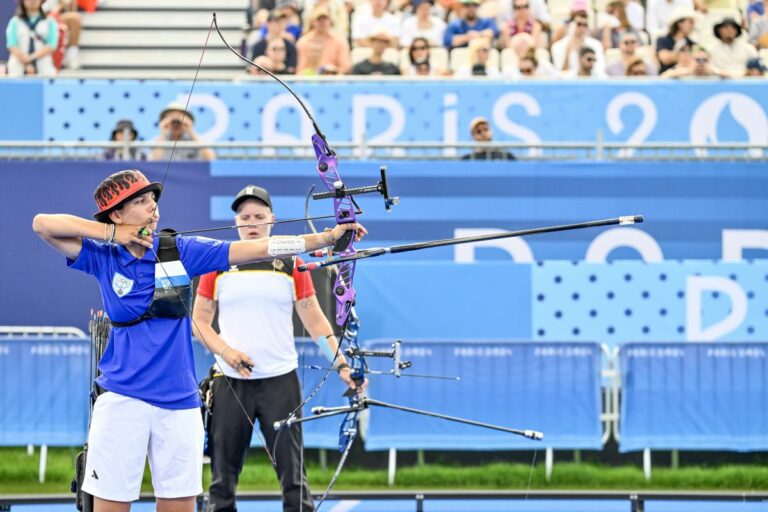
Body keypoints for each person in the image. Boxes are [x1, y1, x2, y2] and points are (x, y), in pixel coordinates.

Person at [31, 169, 366, 512]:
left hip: (179, 403)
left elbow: (258, 248)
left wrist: (325, 239)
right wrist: (112, 234)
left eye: (153, 200)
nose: (154, 209)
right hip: (120, 399)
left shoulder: (180, 251)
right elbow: (42, 224)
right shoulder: (103, 257)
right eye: (141, 202)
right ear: (117, 213)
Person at [193, 185, 364, 512]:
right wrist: (227, 352)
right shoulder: (218, 261)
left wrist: (343, 366)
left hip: (280, 382)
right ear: (235, 223)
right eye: (245, 217)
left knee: (294, 477)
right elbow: (200, 320)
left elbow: (315, 321)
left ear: (272, 219)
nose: (252, 222)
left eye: (259, 216)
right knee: (222, 477)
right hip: (230, 380)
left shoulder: (291, 262)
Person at [5, 0, 59, 77]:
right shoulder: (15, 22)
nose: (32, 1)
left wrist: (31, 58)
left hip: (44, 69)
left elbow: (51, 45)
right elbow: (11, 45)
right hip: (17, 68)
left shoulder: (50, 21)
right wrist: (25, 61)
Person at [150, 102, 215, 162]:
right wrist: (163, 133)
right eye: (171, 119)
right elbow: (153, 163)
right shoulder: (158, 141)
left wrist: (190, 131)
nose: (176, 123)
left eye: (180, 117)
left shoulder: (196, 141)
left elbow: (210, 160)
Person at [295, 7, 351, 74]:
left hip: (334, 80)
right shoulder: (303, 42)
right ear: (313, 21)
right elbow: (300, 69)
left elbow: (345, 68)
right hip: (310, 80)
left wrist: (332, 70)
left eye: (325, 19)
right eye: (319, 19)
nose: (322, 22)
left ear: (330, 20)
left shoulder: (340, 41)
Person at [655, 7, 696, 74]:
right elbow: (665, 58)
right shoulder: (663, 40)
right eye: (690, 22)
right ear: (680, 23)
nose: (693, 26)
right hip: (667, 79)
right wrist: (685, 55)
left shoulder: (693, 43)